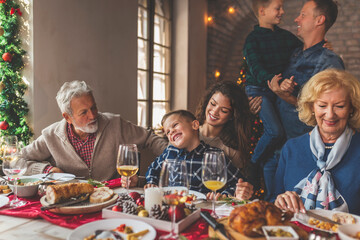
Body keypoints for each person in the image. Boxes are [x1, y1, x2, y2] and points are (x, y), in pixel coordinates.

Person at [22, 80, 168, 181]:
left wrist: (176, 156)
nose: (93, 115)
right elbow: (17, 160)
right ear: (68, 117)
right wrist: (47, 170)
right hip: (70, 201)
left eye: (93, 107)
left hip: (112, 198)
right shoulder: (51, 135)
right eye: (83, 112)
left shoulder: (115, 123)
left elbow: (150, 138)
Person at [273, 69, 360, 215]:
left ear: (351, 108)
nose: (330, 114)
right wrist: (279, 202)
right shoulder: (291, 148)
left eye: (339, 106)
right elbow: (272, 200)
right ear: (312, 107)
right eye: (322, 105)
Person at [268, 0, 344, 140]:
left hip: (304, 146)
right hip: (278, 145)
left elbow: (328, 111)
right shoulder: (293, 53)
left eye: (303, 15)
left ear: (319, 20)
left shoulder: (329, 62)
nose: (297, 19)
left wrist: (288, 98)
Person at [243, 0, 303, 167]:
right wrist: (276, 80)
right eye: (278, 8)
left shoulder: (285, 36)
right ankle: (253, 165)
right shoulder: (252, 39)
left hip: (279, 90)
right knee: (275, 132)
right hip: (258, 90)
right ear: (262, 11)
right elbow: (256, 69)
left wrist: (324, 45)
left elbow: (305, 49)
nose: (282, 12)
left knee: (283, 137)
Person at [145, 110, 254, 200]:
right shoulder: (169, 152)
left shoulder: (214, 155)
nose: (171, 132)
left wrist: (224, 194)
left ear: (195, 125)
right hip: (172, 204)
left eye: (175, 125)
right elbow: (152, 169)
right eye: (168, 132)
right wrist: (152, 183)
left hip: (203, 208)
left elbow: (238, 183)